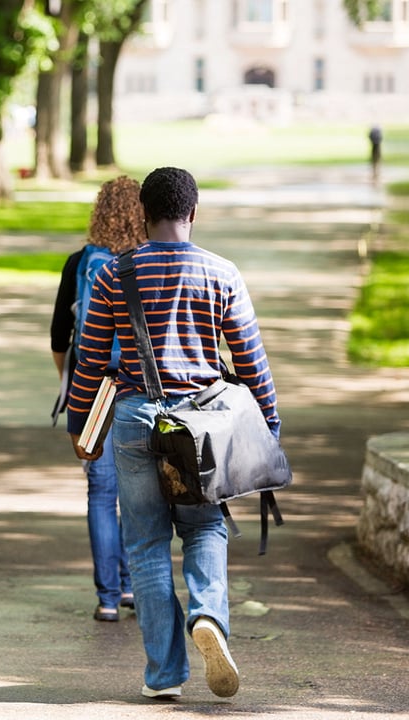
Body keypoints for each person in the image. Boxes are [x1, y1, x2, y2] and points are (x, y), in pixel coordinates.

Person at [67, 167, 280, 700]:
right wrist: (269, 426)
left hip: (137, 418)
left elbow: (89, 360)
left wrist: (79, 427)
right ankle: (208, 615)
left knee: (144, 544)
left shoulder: (115, 274)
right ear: (194, 212)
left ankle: (164, 675)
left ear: (143, 213)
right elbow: (252, 364)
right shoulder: (222, 272)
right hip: (203, 425)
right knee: (204, 527)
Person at [50, 176, 144, 623]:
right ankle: (132, 586)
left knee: (101, 492)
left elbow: (58, 337)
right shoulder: (150, 261)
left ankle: (108, 596)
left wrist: (75, 387)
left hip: (95, 389)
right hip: (142, 389)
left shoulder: (79, 263)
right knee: (141, 492)